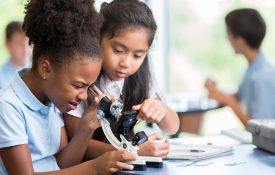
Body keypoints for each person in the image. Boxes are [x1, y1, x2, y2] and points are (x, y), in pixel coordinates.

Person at [0, 0, 137, 175]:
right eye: (78, 85)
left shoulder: (53, 99)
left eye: (88, 87)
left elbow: (62, 165)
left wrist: (85, 128)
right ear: (45, 69)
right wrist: (93, 167)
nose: (83, 96)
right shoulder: (8, 106)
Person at [64, 0, 180, 159]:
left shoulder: (141, 77)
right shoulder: (81, 80)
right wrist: (134, 150)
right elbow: (78, 144)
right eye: (118, 50)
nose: (126, 63)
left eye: (138, 55)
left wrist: (161, 109)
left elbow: (172, 128)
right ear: (97, 39)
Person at [205, 8, 275, 126]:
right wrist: (217, 92)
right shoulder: (255, 67)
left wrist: (230, 103)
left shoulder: (262, 76)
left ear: (239, 41)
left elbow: (262, 128)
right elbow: (239, 97)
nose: (227, 39)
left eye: (228, 33)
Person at [0, 21, 31, 89]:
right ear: (7, 44)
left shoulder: (39, 71)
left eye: (28, 43)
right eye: (19, 43)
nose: (25, 48)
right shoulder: (1, 76)